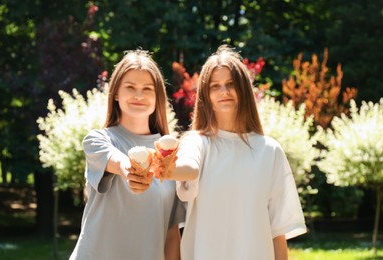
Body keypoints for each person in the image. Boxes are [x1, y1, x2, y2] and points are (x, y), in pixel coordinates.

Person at [155, 45, 307, 260]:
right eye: (215, 86)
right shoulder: (195, 143)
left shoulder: (269, 151)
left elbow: (277, 231)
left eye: (230, 84)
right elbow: (189, 167)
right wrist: (166, 169)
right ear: (205, 95)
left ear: (244, 89)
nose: (224, 92)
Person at [70, 49, 185, 260]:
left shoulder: (172, 157)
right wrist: (133, 171)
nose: (139, 96)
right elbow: (119, 161)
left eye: (147, 89)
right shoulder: (97, 140)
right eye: (130, 87)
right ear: (115, 94)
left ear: (158, 96)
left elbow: (171, 234)